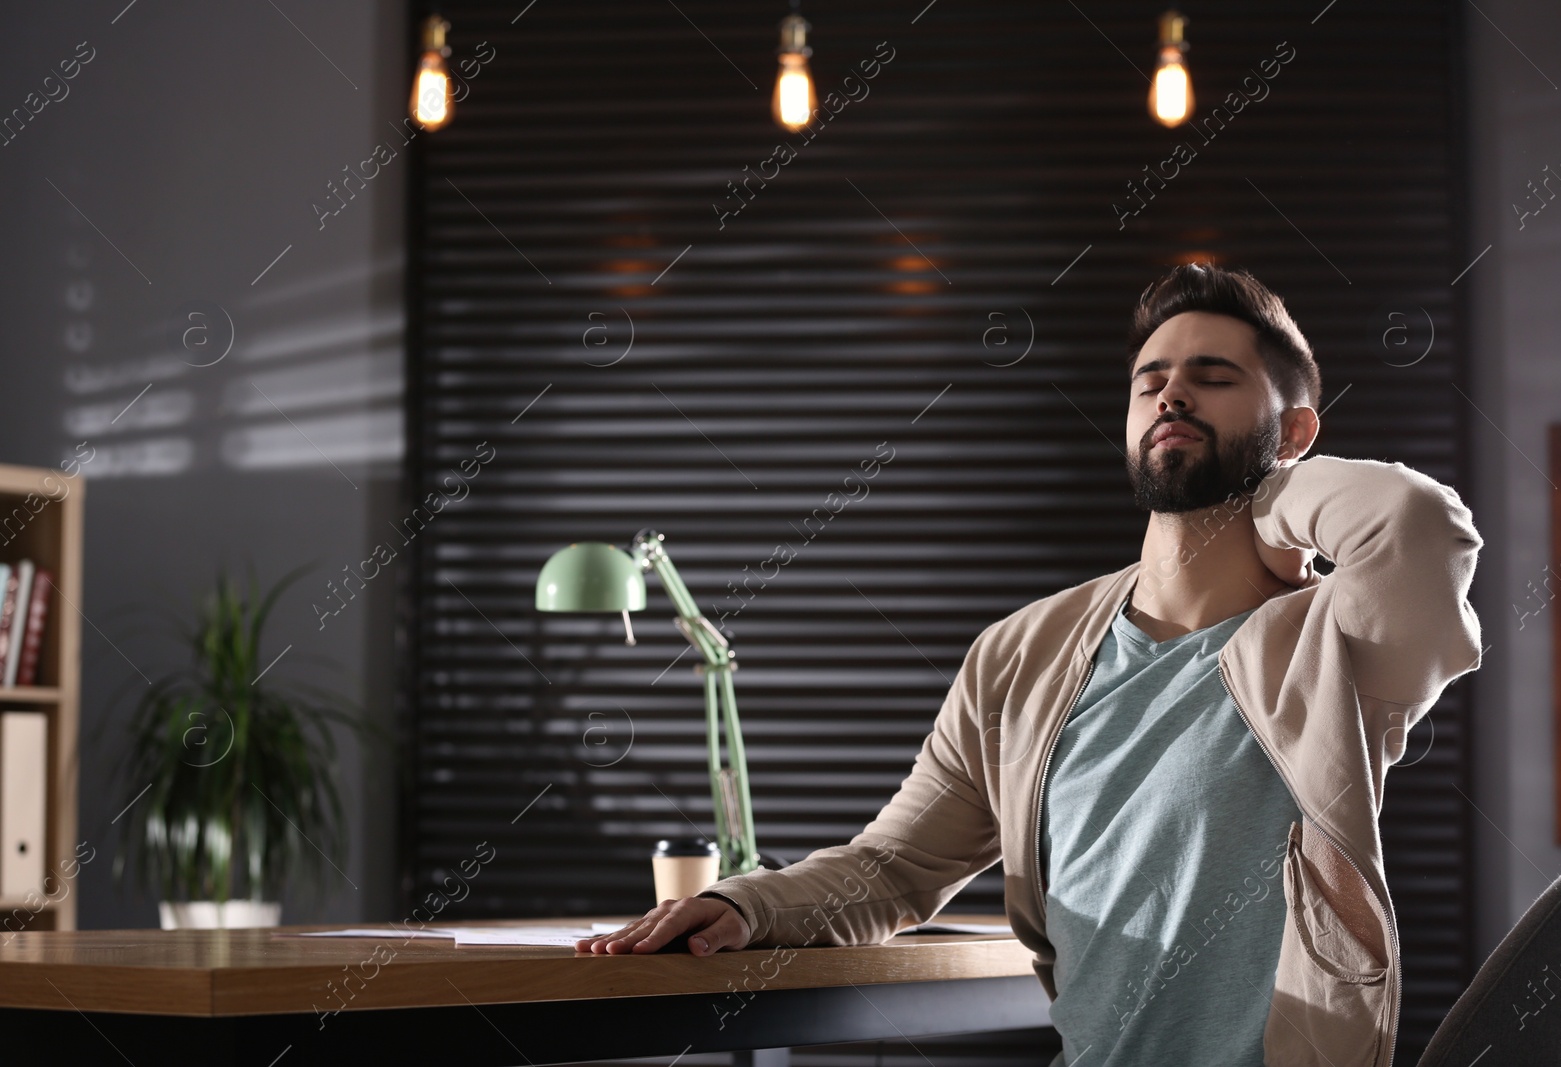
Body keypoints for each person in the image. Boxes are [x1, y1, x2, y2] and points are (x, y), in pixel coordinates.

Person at [576, 263, 1484, 1066]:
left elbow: (1414, 522)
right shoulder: (1023, 653)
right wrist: (749, 905)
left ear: (1294, 430)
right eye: (1150, 382)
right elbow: (893, 868)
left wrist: (1274, 487)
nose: (1170, 395)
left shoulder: (1342, 638)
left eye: (1212, 378)